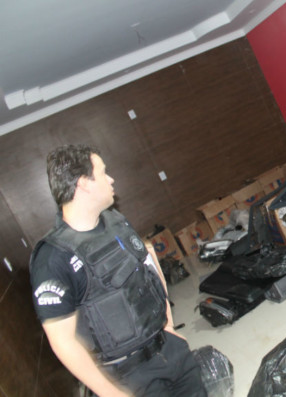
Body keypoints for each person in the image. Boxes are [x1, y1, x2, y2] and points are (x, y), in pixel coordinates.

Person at [29, 144, 206, 397]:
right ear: (84, 183)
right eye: (103, 172)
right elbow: (62, 342)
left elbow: (147, 262)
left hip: (169, 350)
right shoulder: (53, 258)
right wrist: (111, 393)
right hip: (127, 379)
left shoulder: (115, 221)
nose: (111, 179)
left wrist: (168, 326)